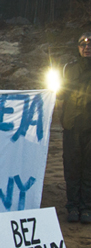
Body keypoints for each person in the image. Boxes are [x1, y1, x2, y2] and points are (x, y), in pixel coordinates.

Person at [59, 32, 91, 223]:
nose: (87, 48)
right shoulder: (68, 69)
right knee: (71, 168)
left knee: (89, 169)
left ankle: (86, 208)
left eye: (90, 45)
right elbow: (60, 93)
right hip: (71, 128)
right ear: (78, 47)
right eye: (83, 45)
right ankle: (72, 206)